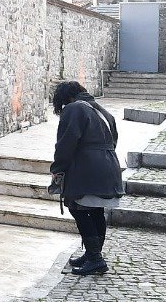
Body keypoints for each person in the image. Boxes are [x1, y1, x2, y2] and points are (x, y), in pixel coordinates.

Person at [49, 80, 124, 277]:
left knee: (78, 208)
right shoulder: (102, 110)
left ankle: (95, 259)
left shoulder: (74, 109)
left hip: (87, 168)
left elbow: (66, 142)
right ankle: (93, 254)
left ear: (66, 98)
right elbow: (113, 140)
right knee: (96, 210)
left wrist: (57, 168)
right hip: (108, 166)